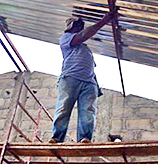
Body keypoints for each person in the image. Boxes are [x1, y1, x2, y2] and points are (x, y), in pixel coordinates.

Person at [50, 11, 116, 143]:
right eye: (78, 24)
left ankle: (85, 138)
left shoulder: (85, 49)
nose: (81, 26)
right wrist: (103, 21)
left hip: (89, 83)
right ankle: (56, 138)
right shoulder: (66, 38)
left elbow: (91, 69)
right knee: (63, 108)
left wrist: (96, 87)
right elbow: (84, 35)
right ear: (71, 26)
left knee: (88, 112)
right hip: (70, 78)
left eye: (82, 24)